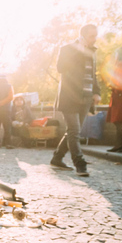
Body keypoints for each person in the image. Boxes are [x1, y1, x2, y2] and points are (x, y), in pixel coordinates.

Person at [50, 24, 101, 177]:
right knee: (74, 131)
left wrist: (96, 92)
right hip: (69, 97)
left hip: (85, 98)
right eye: (92, 36)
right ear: (83, 36)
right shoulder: (67, 49)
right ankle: (80, 164)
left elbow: (93, 74)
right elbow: (60, 68)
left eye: (95, 36)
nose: (94, 39)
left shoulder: (92, 51)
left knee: (72, 132)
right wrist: (78, 50)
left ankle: (57, 158)